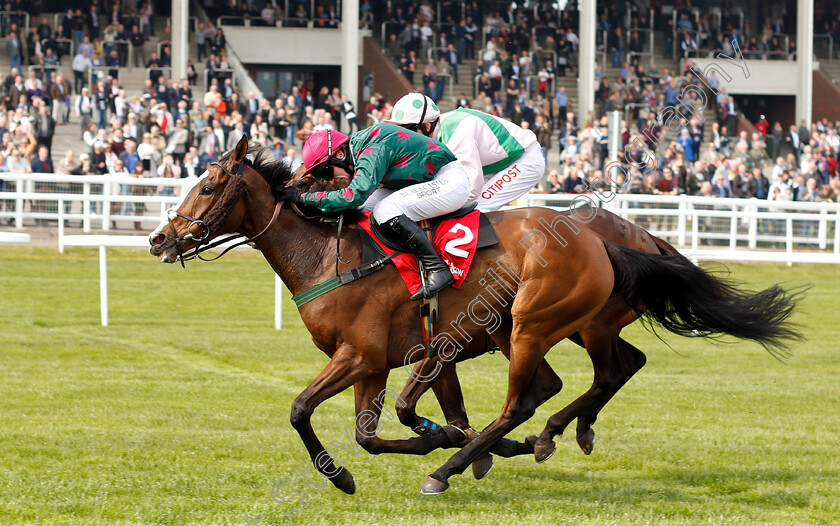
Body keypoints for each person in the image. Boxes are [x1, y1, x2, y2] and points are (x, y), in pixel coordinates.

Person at [275, 126, 471, 299]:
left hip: (448, 180)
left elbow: (354, 195)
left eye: (326, 173)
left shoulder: (372, 150)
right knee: (361, 209)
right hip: (421, 181)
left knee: (385, 210)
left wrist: (304, 198)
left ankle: (437, 268)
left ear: (340, 156)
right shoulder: (358, 149)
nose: (329, 182)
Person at [389, 93, 544, 212]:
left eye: (407, 131)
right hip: (494, 164)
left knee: (476, 208)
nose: (405, 138)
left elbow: (470, 188)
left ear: (426, 126)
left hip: (524, 160)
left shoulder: (456, 133)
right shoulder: (436, 133)